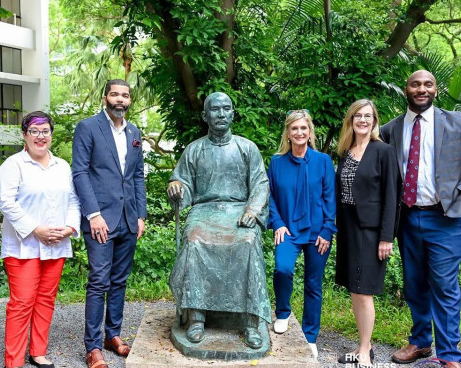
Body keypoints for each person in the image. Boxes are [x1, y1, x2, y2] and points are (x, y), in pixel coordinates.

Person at [380, 70, 461, 368]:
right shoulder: (390, 130)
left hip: (445, 218)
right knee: (414, 283)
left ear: (436, 90)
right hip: (407, 219)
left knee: (445, 285)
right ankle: (421, 342)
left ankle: (449, 355)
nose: (421, 89)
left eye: (427, 84)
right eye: (415, 84)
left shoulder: (457, 122)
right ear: (405, 89)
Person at [167, 92, 271, 351]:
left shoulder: (246, 148)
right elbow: (182, 184)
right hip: (204, 211)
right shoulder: (194, 149)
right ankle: (196, 316)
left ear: (233, 113)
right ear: (205, 115)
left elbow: (260, 184)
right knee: (193, 241)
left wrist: (253, 210)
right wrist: (177, 188)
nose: (221, 114)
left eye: (226, 109)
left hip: (238, 212)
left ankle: (250, 322)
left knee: (247, 242)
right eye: (215, 109)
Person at [0, 111, 80, 368]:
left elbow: (74, 200)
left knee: (46, 298)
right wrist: (35, 229)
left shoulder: (62, 166)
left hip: (56, 244)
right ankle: (14, 361)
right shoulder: (13, 165)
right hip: (24, 246)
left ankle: (38, 351)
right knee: (22, 303)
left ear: (51, 135)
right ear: (24, 135)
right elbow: (6, 203)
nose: (40, 136)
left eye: (45, 131)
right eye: (34, 131)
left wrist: (69, 228)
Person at [72, 79, 147, 368]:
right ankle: (92, 346)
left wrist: (140, 215)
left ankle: (112, 335)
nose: (120, 99)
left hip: (128, 219)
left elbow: (137, 175)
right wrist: (93, 214)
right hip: (100, 220)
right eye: (115, 94)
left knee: (119, 281)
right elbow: (80, 173)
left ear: (129, 100)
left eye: (125, 95)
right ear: (105, 98)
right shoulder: (88, 127)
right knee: (99, 281)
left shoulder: (134, 131)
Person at [266, 109, 336, 358]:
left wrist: (327, 230)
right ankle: (283, 312)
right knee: (282, 268)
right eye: (294, 128)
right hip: (288, 230)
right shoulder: (276, 162)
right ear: (288, 133)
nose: (299, 132)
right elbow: (270, 196)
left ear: (310, 132)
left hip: (318, 232)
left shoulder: (323, 161)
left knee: (313, 283)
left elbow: (330, 198)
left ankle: (310, 335)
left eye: (303, 128)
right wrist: (277, 223)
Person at [334, 99, 398, 367]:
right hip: (348, 227)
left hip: (371, 231)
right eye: (358, 116)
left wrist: (387, 236)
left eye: (368, 116)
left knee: (364, 291)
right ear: (351, 120)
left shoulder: (383, 151)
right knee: (354, 289)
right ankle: (365, 346)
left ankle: (363, 351)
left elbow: (392, 197)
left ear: (374, 120)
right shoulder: (346, 152)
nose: (362, 120)